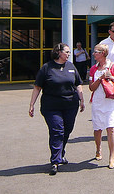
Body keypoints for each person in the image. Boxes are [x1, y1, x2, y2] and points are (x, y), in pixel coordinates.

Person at [28, 43, 85, 175]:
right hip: (51, 106)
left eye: (70, 52)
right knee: (57, 130)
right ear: (58, 52)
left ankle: (60, 153)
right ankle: (55, 161)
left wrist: (82, 100)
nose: (69, 54)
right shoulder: (47, 68)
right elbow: (37, 87)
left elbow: (78, 84)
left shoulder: (71, 66)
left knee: (67, 130)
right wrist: (32, 104)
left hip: (70, 105)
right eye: (67, 52)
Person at [88, 43, 114, 169]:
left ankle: (112, 156)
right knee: (98, 128)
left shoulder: (113, 66)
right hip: (98, 102)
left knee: (110, 128)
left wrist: (112, 77)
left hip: (110, 101)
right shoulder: (93, 69)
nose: (94, 54)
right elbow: (91, 87)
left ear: (103, 53)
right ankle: (98, 148)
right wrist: (100, 79)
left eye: (96, 52)